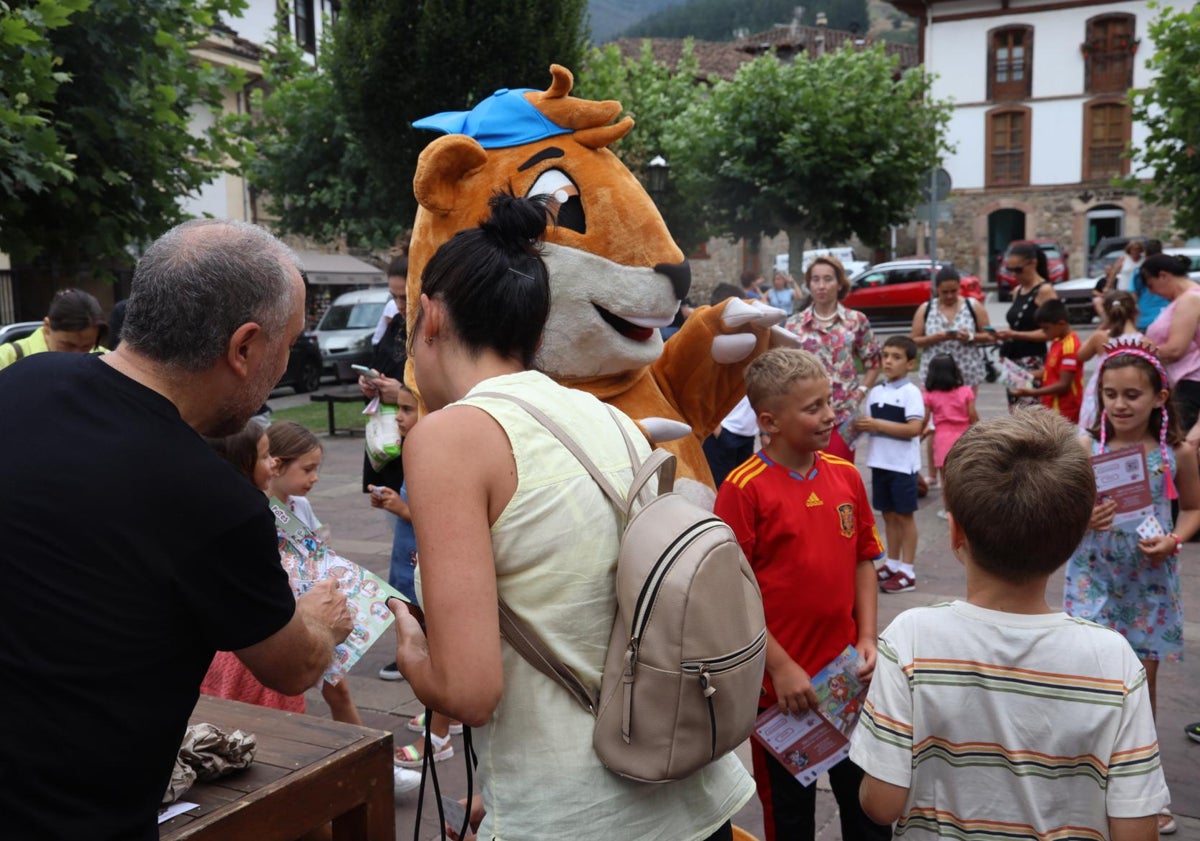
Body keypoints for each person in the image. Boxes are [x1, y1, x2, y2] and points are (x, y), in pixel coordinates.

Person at [385, 193, 754, 841]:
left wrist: (414, 653)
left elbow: (469, 692)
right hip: (689, 795)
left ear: (432, 317)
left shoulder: (449, 438)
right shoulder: (604, 416)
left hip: (575, 813)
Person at [0, 218, 354, 841]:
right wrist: (321, 621)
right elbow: (293, 667)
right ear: (244, 348)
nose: (284, 365)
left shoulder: (21, 383)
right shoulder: (213, 502)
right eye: (288, 344)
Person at [849, 408, 1169, 840]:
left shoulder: (910, 639)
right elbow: (1136, 831)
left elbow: (881, 804)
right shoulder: (1115, 661)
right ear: (1075, 536)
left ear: (955, 533)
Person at [713, 348, 890, 841]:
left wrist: (869, 636)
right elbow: (729, 593)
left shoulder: (846, 475)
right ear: (768, 421)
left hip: (847, 683)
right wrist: (780, 665)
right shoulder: (743, 489)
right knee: (791, 822)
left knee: (868, 810)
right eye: (813, 407)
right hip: (780, 699)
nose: (830, 415)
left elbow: (863, 559)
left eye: (829, 401)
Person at [1064, 340, 1199, 834]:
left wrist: (1174, 540)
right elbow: (1063, 515)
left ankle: (1145, 791)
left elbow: (1193, 509)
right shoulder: (1085, 447)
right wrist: (1085, 517)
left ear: (1160, 398)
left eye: (1132, 395)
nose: (1119, 405)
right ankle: (1088, 779)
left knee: (1139, 689)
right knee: (1090, 682)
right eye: (1110, 394)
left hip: (1148, 585)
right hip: (1093, 580)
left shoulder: (1175, 451)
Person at [784, 256, 882, 460]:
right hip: (804, 416)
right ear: (809, 284)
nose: (821, 286)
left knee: (839, 479)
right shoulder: (794, 325)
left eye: (828, 279)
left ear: (839, 284)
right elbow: (784, 369)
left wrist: (860, 393)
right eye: (815, 279)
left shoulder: (856, 321)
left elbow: (873, 363)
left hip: (843, 416)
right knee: (804, 479)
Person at [855, 336, 924, 594]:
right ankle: (892, 563)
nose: (889, 361)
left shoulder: (911, 392)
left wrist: (876, 425)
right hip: (879, 461)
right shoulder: (876, 392)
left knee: (905, 516)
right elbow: (872, 427)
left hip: (902, 465)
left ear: (910, 363)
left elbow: (914, 428)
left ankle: (908, 570)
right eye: (886, 356)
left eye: (896, 357)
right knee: (888, 515)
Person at [1143, 253, 1200, 434]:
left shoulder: (1190, 299)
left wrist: (1142, 350)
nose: (1151, 292)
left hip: (1189, 383)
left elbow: (1176, 349)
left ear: (1163, 276)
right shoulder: (1184, 299)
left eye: (1150, 285)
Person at [996, 242, 1057, 410]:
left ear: (1033, 263)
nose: (1014, 275)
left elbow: (1051, 332)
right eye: (1010, 270)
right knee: (1016, 415)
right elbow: (1016, 325)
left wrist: (1014, 335)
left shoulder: (1044, 291)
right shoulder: (1018, 291)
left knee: (1031, 417)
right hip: (1013, 362)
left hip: (1033, 360)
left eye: (1018, 269)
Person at [911, 267, 992, 391]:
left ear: (960, 287)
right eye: (944, 292)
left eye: (954, 291)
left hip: (967, 373)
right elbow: (914, 341)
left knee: (964, 410)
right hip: (934, 375)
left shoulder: (973, 306)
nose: (949, 296)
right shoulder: (925, 309)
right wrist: (935, 338)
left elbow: (989, 336)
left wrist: (970, 337)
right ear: (937, 289)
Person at [1077, 290, 1142, 431]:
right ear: (1135, 311)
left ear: (1107, 312)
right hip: (1131, 392)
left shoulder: (1100, 337)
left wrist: (1102, 326)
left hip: (1103, 391)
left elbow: (1081, 355)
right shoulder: (1143, 341)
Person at [0, 287, 108, 369]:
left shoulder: (107, 360)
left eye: (86, 347)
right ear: (47, 326)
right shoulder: (6, 359)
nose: (77, 355)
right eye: (68, 345)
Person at [1011, 299, 1083, 423]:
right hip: (1052, 406)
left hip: (1065, 410)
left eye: (1046, 328)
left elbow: (1063, 385)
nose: (1044, 332)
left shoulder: (1070, 347)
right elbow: (1051, 371)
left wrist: (1033, 392)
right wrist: (1027, 375)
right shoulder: (1057, 341)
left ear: (1061, 323)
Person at [921, 355, 978, 504]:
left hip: (942, 439)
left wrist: (919, 434)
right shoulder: (966, 391)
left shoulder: (930, 395)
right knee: (966, 473)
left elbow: (925, 419)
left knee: (945, 478)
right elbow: (972, 415)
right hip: (964, 436)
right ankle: (968, 506)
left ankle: (949, 510)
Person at [703, 395, 759, 486]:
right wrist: (716, 428)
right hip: (724, 430)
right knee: (715, 486)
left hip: (748, 436)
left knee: (740, 486)